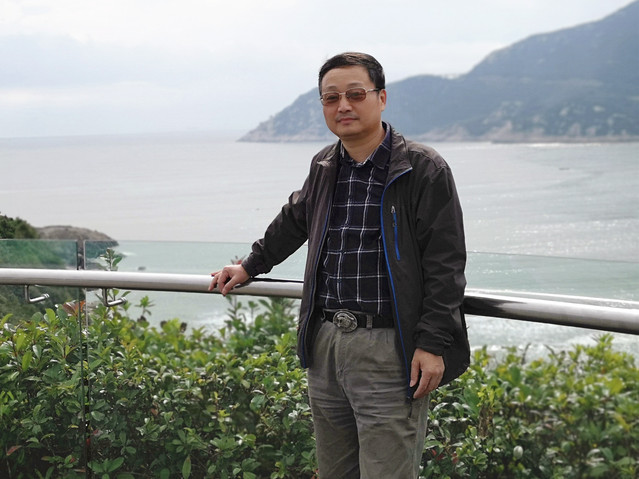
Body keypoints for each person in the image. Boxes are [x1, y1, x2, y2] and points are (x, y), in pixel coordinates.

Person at [210, 52, 469, 479]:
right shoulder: (325, 165)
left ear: (381, 98)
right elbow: (294, 220)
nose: (343, 106)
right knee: (335, 471)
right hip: (326, 340)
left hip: (391, 346)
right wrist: (249, 266)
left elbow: (446, 263)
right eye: (331, 98)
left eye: (355, 94)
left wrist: (432, 343)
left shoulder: (423, 168)